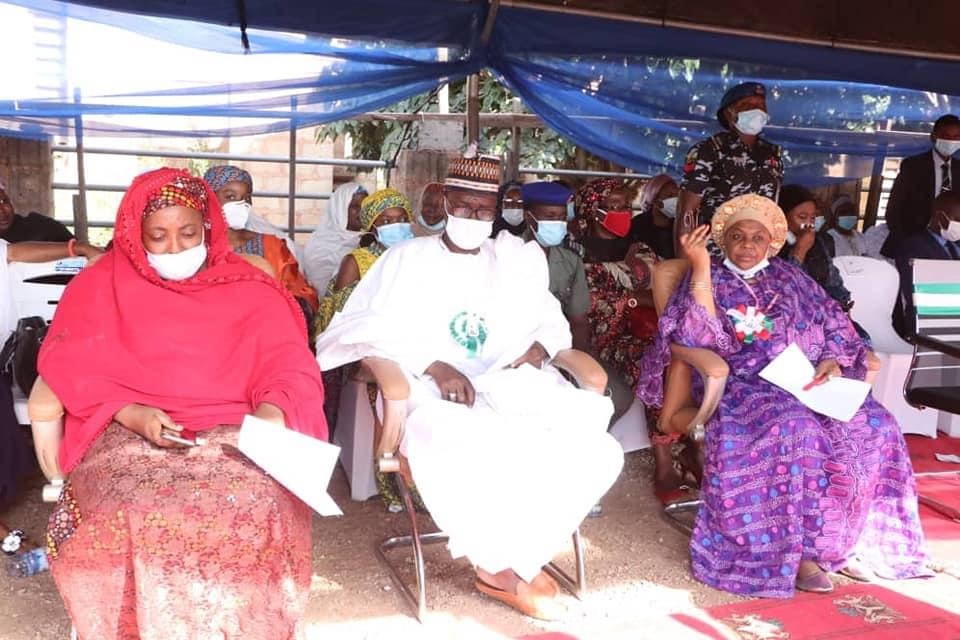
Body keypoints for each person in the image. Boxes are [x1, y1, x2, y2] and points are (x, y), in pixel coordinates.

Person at [315, 154, 622, 620]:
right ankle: (498, 567)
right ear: (444, 201)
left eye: (483, 211)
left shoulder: (513, 260)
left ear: (496, 210)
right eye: (463, 207)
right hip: (428, 393)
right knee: (472, 444)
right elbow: (358, 328)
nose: (473, 218)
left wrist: (539, 347)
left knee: (596, 448)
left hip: (506, 383)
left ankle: (521, 553)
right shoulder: (406, 259)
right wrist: (434, 365)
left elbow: (550, 322)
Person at [37, 167, 327, 638]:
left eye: (188, 233)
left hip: (238, 427)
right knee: (130, 505)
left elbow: (289, 364)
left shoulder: (250, 286)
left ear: (208, 227)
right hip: (128, 428)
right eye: (158, 236)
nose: (174, 248)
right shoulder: (99, 285)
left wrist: (271, 415)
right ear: (135, 235)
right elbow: (69, 362)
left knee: (259, 500)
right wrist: (130, 413)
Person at [638, 193, 929, 598]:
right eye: (737, 236)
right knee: (796, 429)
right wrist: (700, 264)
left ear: (772, 242)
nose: (747, 245)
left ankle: (842, 542)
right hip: (742, 382)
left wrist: (832, 360)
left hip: (805, 380)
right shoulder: (709, 275)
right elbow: (697, 336)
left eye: (757, 237)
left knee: (876, 425)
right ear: (723, 241)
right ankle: (798, 552)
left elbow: (835, 324)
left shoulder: (792, 277)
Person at [572, 178, 684, 492]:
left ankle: (692, 445)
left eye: (624, 206)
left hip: (646, 332)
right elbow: (590, 306)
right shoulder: (576, 255)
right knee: (649, 362)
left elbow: (668, 295)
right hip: (600, 339)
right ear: (591, 210)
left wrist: (628, 299)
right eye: (612, 206)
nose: (621, 212)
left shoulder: (641, 248)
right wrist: (637, 297)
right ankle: (663, 460)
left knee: (679, 357)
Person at [677, 82, 783, 243]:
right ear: (729, 114)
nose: (757, 110)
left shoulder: (772, 154)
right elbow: (688, 211)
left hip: (757, 250)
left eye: (761, 105)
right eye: (748, 105)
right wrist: (685, 255)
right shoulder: (709, 150)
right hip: (714, 251)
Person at [203, 166, 318, 314]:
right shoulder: (195, 246)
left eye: (246, 198)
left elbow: (303, 295)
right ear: (209, 199)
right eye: (230, 197)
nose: (240, 204)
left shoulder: (272, 246)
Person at [317, 187, 413, 332]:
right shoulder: (355, 263)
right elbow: (340, 315)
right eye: (386, 221)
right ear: (373, 228)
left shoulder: (418, 255)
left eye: (403, 219)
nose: (397, 226)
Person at [521, 181, 590, 352]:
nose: (558, 223)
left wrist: (577, 360)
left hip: (556, 345)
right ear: (529, 217)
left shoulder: (571, 260)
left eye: (562, 217)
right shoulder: (508, 252)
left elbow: (579, 321)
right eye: (550, 217)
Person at [883, 114, 960, 257]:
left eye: (956, 137)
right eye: (946, 136)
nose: (951, 141)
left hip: (950, 247)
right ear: (933, 136)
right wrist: (907, 242)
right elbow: (894, 210)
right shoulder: (913, 166)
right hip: (913, 244)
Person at [892, 191, 960, 337]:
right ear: (940, 216)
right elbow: (915, 294)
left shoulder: (955, 246)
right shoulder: (913, 248)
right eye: (959, 220)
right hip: (929, 326)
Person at [776, 185, 852, 313]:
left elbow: (833, 283)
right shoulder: (771, 248)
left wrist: (842, 303)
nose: (809, 224)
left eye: (812, 218)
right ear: (782, 217)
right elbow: (784, 291)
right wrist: (799, 252)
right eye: (802, 217)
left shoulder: (818, 243)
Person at [303, 181, 368, 291]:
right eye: (355, 206)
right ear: (340, 209)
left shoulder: (369, 238)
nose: (361, 211)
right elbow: (324, 289)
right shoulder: (320, 244)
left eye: (365, 206)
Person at [0, 179, 75, 242]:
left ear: (10, 200)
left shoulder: (41, 227)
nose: (2, 211)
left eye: (3, 201)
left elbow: (77, 248)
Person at [631, 173, 678, 259]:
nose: (675, 200)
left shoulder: (679, 225)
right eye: (670, 196)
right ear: (654, 199)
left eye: (677, 196)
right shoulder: (637, 224)